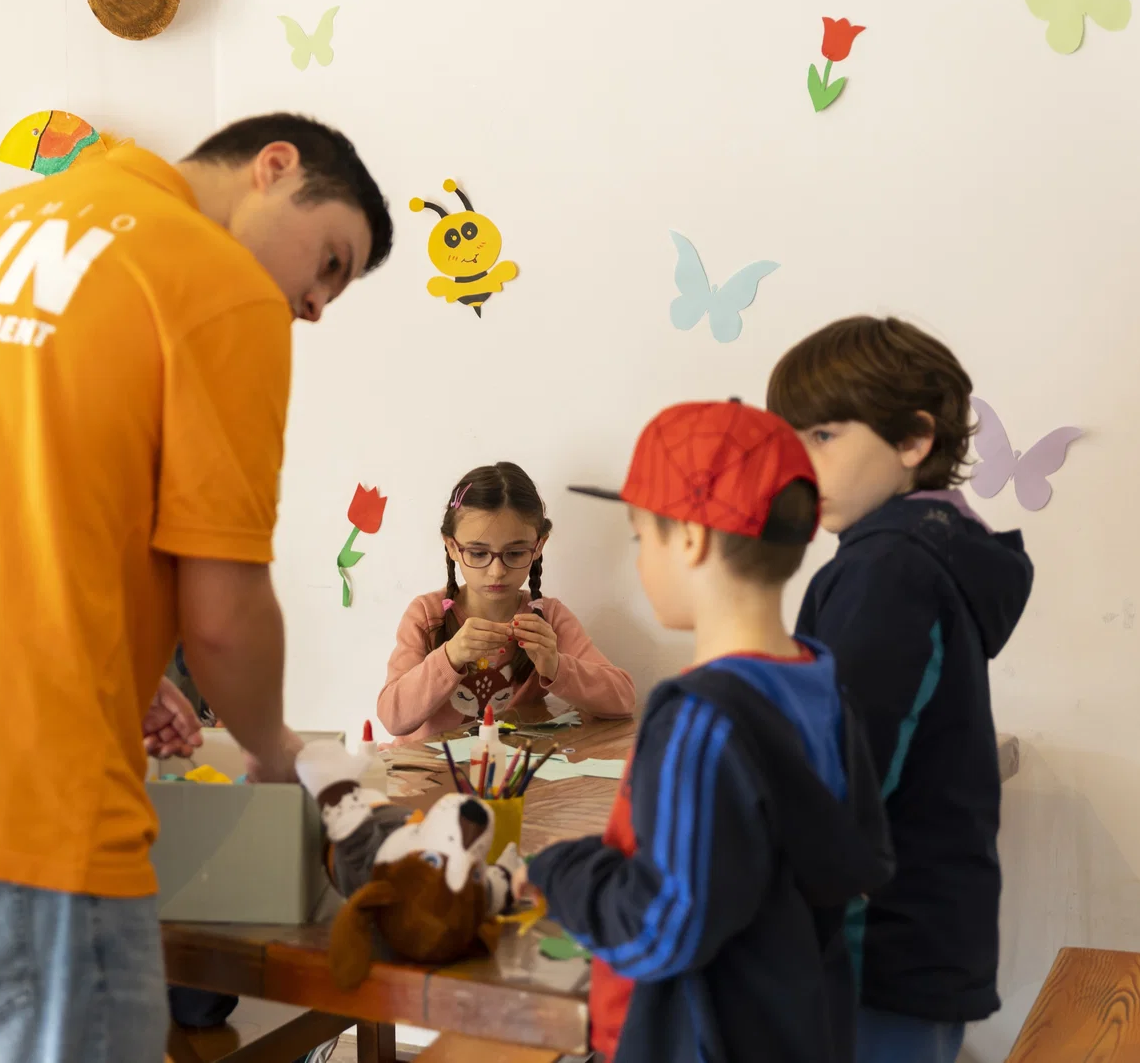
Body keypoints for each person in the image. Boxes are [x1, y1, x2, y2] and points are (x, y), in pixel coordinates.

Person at [0, 113, 394, 1063]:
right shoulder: (216, 284)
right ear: (274, 167)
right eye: (332, 260)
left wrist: (120, 662)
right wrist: (275, 747)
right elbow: (224, 615)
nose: (315, 305)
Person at [515, 400, 894, 1063]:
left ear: (690, 538)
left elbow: (662, 928)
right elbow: (862, 862)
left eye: (642, 537)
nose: (639, 560)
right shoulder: (824, 684)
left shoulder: (699, 714)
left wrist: (556, 867)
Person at [767, 317, 1034, 1063]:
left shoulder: (889, 569)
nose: (799, 462)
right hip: (923, 935)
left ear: (914, 440)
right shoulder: (922, 552)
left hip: (876, 948)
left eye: (823, 435)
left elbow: (844, 768)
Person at [376, 461, 635, 741]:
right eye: (477, 553)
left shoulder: (549, 617)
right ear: (452, 546)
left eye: (514, 553)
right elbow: (393, 717)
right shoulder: (427, 615)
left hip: (508, 776)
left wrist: (555, 666)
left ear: (538, 547)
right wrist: (450, 657)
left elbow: (622, 701)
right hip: (430, 777)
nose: (497, 572)